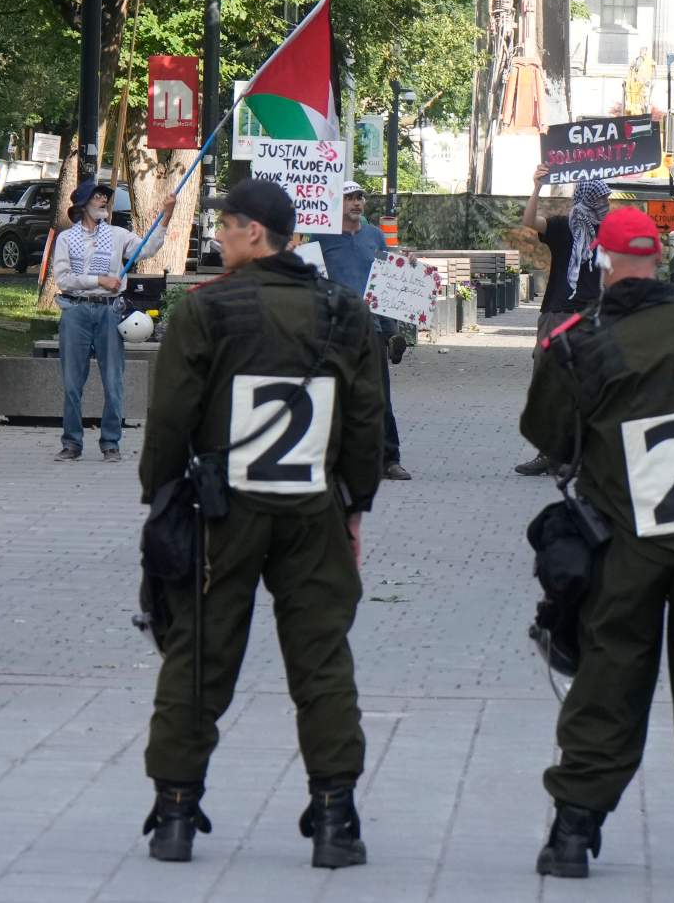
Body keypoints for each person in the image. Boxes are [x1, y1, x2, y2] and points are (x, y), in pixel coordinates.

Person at [521, 207, 674, 883]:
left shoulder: (579, 343)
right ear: (660, 258)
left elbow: (549, 436)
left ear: (601, 265)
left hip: (624, 540)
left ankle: (573, 832)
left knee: (608, 679)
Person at [137, 179, 385, 868]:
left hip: (223, 512)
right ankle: (337, 817)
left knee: (198, 659)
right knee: (322, 660)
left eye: (226, 226)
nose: (218, 237)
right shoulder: (342, 310)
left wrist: (158, 500)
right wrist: (356, 504)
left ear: (254, 233)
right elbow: (366, 419)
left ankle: (176, 815)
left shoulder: (207, 310)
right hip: (313, 508)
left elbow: (170, 418)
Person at [52, 179, 175, 461]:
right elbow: (63, 278)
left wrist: (166, 215)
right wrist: (99, 279)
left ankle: (111, 443)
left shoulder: (118, 235)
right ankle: (71, 442)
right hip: (75, 311)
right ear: (82, 205)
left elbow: (146, 249)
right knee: (72, 382)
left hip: (109, 311)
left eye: (105, 198)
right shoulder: (66, 239)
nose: (104, 201)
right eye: (97, 197)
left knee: (113, 380)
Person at [514, 164, 610, 476]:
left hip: (591, 317)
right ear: (588, 200)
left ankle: (581, 455)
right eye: (601, 201)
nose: (606, 206)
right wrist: (536, 187)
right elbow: (530, 223)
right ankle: (548, 453)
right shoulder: (563, 227)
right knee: (549, 385)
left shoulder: (608, 233)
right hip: (557, 315)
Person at [313, 180, 411, 480]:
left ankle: (389, 458)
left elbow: (388, 282)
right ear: (336, 203)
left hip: (372, 327)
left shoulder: (375, 237)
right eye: (349, 198)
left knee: (379, 395)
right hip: (334, 327)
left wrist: (393, 330)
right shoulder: (320, 237)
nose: (356, 203)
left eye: (360, 198)